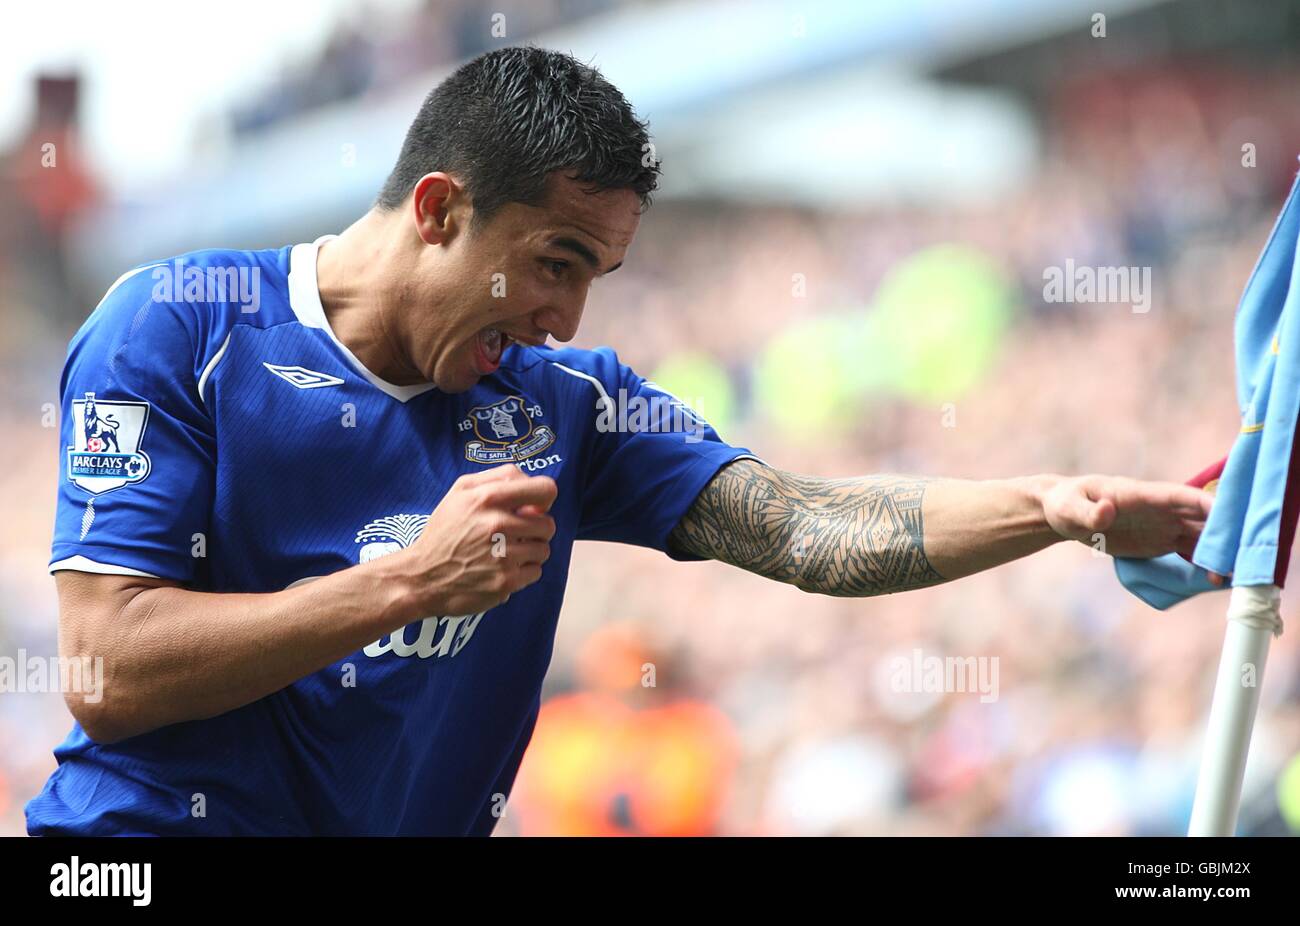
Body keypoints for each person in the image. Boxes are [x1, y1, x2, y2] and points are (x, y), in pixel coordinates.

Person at [26, 46, 1213, 836]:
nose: (565, 316)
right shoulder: (175, 327)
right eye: (554, 262)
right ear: (438, 209)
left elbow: (808, 529)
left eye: (595, 275)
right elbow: (105, 671)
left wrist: (1051, 506)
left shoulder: (565, 404)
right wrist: (406, 583)